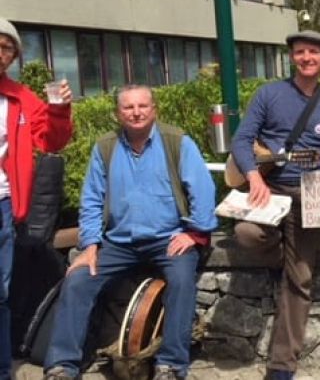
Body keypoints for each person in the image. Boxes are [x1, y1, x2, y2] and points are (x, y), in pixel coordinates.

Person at [42, 85, 215, 380]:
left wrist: (194, 233)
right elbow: (92, 200)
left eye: (142, 106)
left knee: (183, 281)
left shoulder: (177, 142)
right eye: (128, 107)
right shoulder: (105, 148)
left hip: (168, 239)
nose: (136, 112)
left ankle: (171, 365)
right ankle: (62, 366)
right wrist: (90, 245)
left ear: (154, 109)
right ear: (117, 113)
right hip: (118, 243)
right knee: (78, 280)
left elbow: (203, 190)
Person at [231, 30, 320, 380]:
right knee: (245, 233)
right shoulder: (269, 94)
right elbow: (241, 140)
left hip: (313, 195)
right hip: (270, 189)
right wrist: (254, 176)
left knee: (300, 280)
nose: (306, 58)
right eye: (300, 52)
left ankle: (281, 366)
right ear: (292, 57)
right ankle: (279, 258)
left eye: (313, 53)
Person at [0, 17, 73, 380]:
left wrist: (58, 107)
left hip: (3, 205)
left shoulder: (22, 97)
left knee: (0, 292)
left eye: (6, 47)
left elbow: (52, 141)